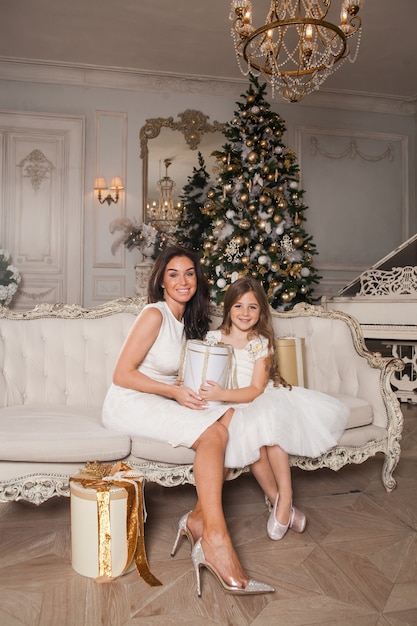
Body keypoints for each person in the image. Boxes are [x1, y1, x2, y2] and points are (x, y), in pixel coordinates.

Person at [102, 246, 274, 596]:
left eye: (189, 273)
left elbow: (173, 374)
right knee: (212, 435)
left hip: (159, 396)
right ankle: (215, 538)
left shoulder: (186, 323)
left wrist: (181, 388)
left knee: (230, 413)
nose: (183, 281)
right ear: (161, 281)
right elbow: (121, 374)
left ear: (197, 279)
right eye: (173, 274)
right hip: (130, 402)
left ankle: (198, 516)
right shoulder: (154, 314)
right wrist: (173, 392)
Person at [199, 277, 349, 541]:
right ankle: (282, 504)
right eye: (238, 306)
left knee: (270, 427)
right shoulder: (213, 338)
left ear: (261, 312)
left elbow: (256, 389)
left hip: (259, 397)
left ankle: (286, 496)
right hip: (228, 403)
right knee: (251, 438)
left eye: (252, 307)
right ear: (228, 308)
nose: (245, 313)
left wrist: (222, 393)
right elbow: (204, 371)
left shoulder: (260, 341)